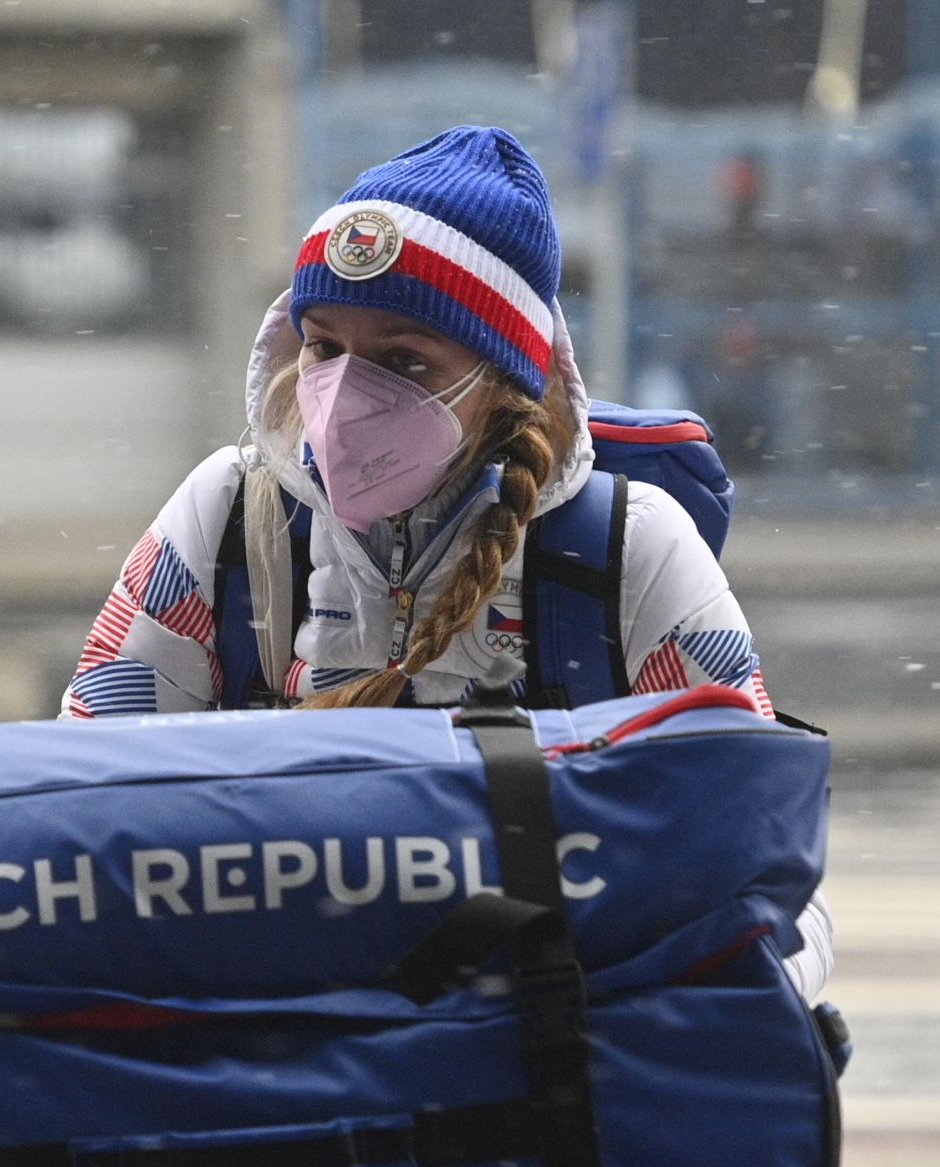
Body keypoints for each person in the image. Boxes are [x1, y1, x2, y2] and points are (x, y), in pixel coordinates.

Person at [61, 126, 830, 998]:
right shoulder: (227, 523)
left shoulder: (629, 551)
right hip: (277, 1087)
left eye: (402, 359)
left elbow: (770, 881)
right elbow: (81, 812)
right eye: (324, 347)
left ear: (504, 381)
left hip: (534, 1094)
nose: (346, 394)